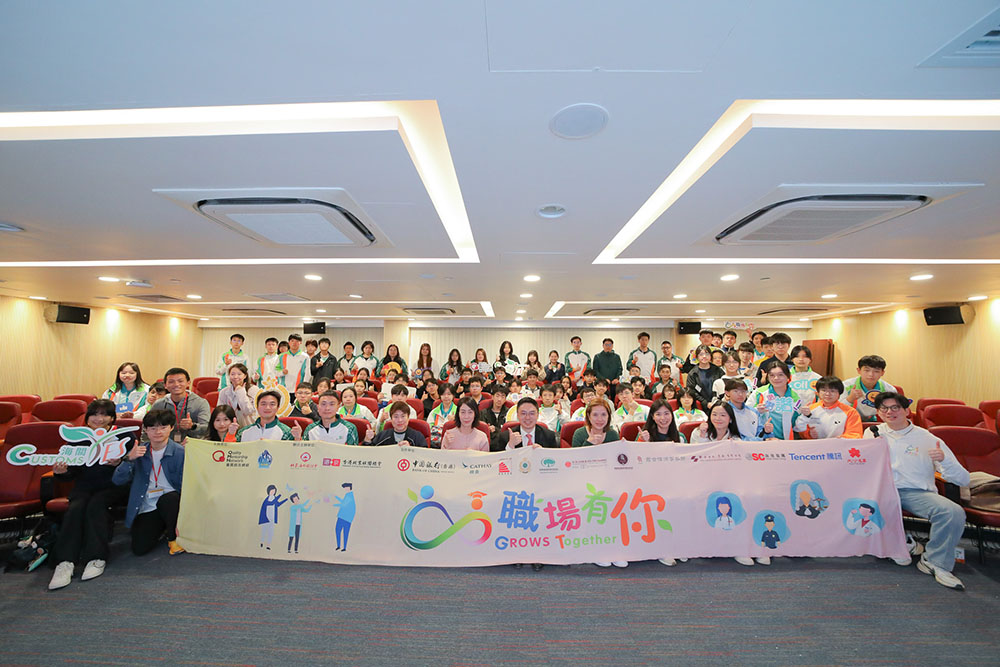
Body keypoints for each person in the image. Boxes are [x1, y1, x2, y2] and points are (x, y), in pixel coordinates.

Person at [865, 392, 970, 589]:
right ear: (878, 412)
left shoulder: (927, 438)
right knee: (863, 503)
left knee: (952, 512)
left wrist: (944, 460)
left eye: (895, 407)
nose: (889, 412)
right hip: (882, 490)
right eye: (884, 408)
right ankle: (903, 543)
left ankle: (934, 561)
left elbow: (963, 479)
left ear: (907, 411)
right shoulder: (872, 433)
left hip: (916, 492)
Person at [47, 400, 137, 590]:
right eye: (94, 414)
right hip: (85, 486)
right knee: (76, 508)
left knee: (96, 505)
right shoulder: (78, 437)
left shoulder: (124, 435)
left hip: (114, 485)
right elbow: (71, 472)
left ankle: (96, 557)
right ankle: (65, 562)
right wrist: (61, 472)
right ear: (87, 418)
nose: (99, 419)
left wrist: (120, 462)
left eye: (104, 414)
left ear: (112, 418)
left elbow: (134, 465)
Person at [112, 409, 185, 557]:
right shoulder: (139, 451)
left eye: (163, 427)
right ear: (145, 429)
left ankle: (172, 537)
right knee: (139, 549)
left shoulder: (180, 452)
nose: (158, 432)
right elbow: (117, 480)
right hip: (148, 505)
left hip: (172, 503)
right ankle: (163, 527)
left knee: (169, 499)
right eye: (153, 428)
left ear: (171, 428)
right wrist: (129, 460)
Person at [151, 367, 210, 442]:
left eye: (180, 381)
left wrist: (193, 426)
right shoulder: (159, 404)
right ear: (165, 385)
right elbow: (148, 426)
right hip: (165, 445)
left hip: (192, 444)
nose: (176, 384)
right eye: (171, 382)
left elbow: (208, 429)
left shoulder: (201, 403)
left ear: (188, 382)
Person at [794, 376, 863, 439]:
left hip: (840, 446)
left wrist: (837, 440)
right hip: (815, 446)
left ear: (839, 394)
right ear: (818, 393)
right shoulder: (811, 409)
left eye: (832, 391)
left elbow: (854, 434)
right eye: (824, 390)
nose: (827, 394)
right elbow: (800, 430)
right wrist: (808, 434)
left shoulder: (850, 412)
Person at [749, 362, 801, 440]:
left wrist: (807, 416)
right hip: (763, 440)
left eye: (780, 375)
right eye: (772, 375)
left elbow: (798, 425)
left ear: (788, 376)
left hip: (786, 441)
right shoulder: (759, 393)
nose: (776, 378)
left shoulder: (795, 397)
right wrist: (757, 411)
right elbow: (746, 414)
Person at [842, 355, 897, 424]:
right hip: (851, 423)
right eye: (867, 370)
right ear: (859, 370)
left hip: (881, 424)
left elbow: (895, 412)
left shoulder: (889, 390)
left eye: (876, 371)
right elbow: (836, 410)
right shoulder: (846, 386)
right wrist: (849, 399)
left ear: (882, 373)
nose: (871, 374)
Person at [691, 401, 757, 443]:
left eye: (723, 415)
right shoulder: (698, 432)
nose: (718, 418)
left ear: (730, 419)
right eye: (714, 414)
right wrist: (702, 436)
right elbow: (694, 454)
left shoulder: (735, 439)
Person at [217, 363, 259, 428]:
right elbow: (220, 412)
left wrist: (240, 391)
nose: (235, 377)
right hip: (230, 428)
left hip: (249, 426)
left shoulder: (254, 390)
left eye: (239, 374)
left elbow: (247, 411)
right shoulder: (224, 392)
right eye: (232, 374)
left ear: (245, 376)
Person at [480, 384, 509, 449]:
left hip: (505, 446)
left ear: (505, 399)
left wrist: (496, 430)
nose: (499, 399)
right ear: (492, 397)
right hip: (488, 445)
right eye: (497, 396)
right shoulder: (483, 413)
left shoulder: (508, 413)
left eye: (502, 396)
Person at [258, 484, 286, 550]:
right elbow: (270, 503)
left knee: (270, 532)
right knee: (264, 531)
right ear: (268, 491)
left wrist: (285, 500)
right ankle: (262, 542)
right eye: (271, 491)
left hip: (272, 518)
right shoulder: (266, 499)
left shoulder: (274, 498)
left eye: (274, 491)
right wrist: (279, 496)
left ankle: (268, 545)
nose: (273, 492)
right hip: (266, 518)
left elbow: (277, 504)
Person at [333, 483, 356, 550]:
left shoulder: (349, 496)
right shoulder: (348, 495)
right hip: (346, 517)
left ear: (349, 487)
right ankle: (340, 546)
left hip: (344, 517)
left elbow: (343, 504)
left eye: (345, 487)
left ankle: (342, 547)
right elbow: (343, 502)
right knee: (343, 532)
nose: (344, 488)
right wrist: (336, 497)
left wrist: (334, 505)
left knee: (341, 531)